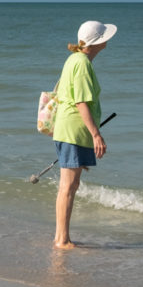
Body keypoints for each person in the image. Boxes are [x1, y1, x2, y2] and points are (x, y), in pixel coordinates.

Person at [51, 20, 116, 249]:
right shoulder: (81, 63)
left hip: (71, 131)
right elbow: (81, 102)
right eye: (105, 36)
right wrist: (96, 135)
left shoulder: (76, 60)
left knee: (70, 184)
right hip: (73, 131)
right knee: (68, 185)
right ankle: (62, 239)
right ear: (98, 41)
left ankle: (61, 237)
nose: (108, 39)